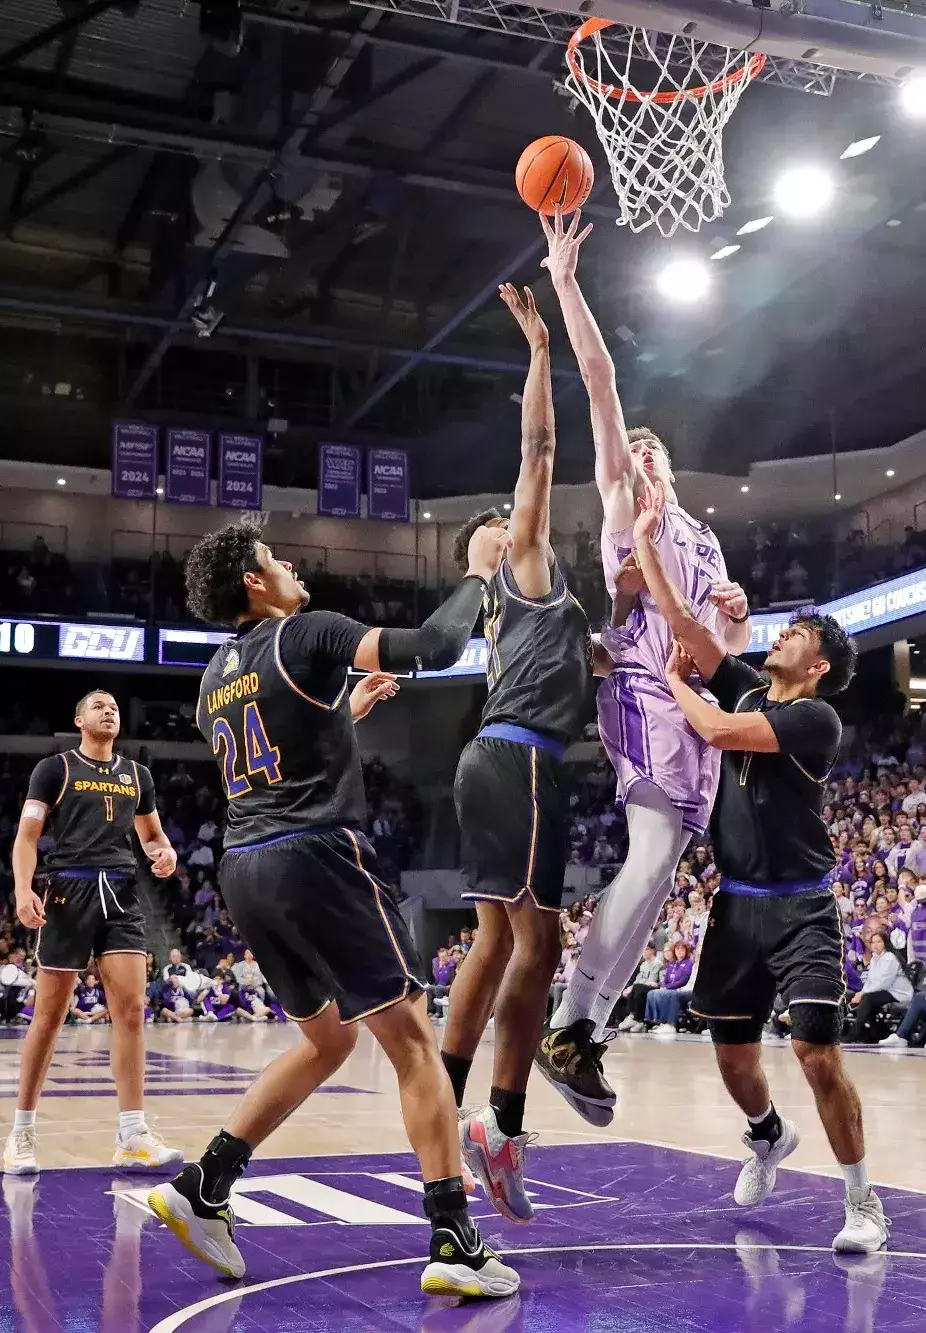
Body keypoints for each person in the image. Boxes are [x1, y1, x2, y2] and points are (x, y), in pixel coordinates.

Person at [147, 515, 519, 1300]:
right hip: (316, 854)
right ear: (254, 581)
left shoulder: (216, 672)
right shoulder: (308, 631)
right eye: (275, 558)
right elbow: (436, 648)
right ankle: (454, 1236)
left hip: (244, 865)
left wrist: (340, 713)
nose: (290, 563)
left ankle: (205, 1182)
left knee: (326, 1041)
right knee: (414, 1040)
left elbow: (268, 760)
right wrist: (482, 575)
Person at [534, 209, 752, 1124]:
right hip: (642, 690)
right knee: (655, 852)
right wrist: (570, 282)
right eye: (634, 448)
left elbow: (726, 652)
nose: (640, 452)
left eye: (655, 448)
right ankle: (570, 1018)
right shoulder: (629, 508)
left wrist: (738, 620)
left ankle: (584, 1029)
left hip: (694, 700)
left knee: (661, 873)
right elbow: (599, 378)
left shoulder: (703, 537)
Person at [630, 481, 888, 1254]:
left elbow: (710, 727)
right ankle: (768, 1136)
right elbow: (680, 619)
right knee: (735, 1060)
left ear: (817, 666)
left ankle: (863, 1201)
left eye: (800, 631)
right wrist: (647, 538)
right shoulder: (749, 681)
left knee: (815, 1051)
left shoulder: (815, 717)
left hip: (803, 903)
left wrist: (676, 682)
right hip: (737, 905)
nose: (783, 634)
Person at [440, 283, 612, 1224]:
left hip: (496, 758)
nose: (513, 520)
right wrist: (541, 351)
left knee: (502, 940)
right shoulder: (526, 565)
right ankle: (497, 1124)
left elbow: (596, 659)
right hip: (522, 761)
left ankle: (450, 1094)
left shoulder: (527, 611)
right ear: (493, 553)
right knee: (536, 944)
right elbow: (539, 450)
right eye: (498, 526)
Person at [3, 690, 183, 1176]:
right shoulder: (55, 769)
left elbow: (151, 835)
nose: (110, 711)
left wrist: (163, 853)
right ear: (79, 718)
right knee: (50, 1016)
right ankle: (21, 1131)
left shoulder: (137, 775)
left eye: (115, 707)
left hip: (123, 893)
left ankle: (132, 1135)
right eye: (99, 705)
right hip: (69, 891)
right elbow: (27, 836)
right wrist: (23, 889)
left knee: (131, 1011)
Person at [848, 929, 913, 1042]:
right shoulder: (875, 958)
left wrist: (863, 994)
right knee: (865, 998)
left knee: (868, 998)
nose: (875, 945)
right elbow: (870, 981)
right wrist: (861, 992)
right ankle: (876, 1033)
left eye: (879, 942)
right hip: (886, 991)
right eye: (873, 942)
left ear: (885, 943)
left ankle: (855, 1033)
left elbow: (883, 983)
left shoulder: (890, 958)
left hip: (899, 993)